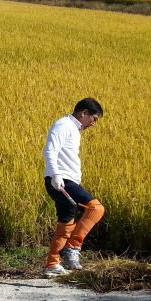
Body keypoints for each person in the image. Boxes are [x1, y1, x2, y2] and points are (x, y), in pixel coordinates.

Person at [42, 98, 105, 277]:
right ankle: (72, 247)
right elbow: (49, 150)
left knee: (66, 226)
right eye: (93, 118)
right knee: (96, 208)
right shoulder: (63, 125)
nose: (93, 123)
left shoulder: (72, 129)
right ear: (83, 113)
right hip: (62, 181)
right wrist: (55, 174)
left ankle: (52, 265)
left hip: (65, 181)